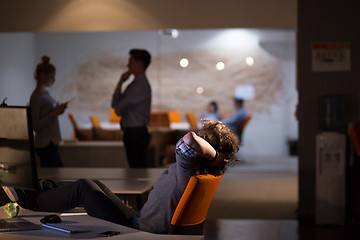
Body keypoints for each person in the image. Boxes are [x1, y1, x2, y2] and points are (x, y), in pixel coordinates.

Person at [0, 120, 239, 234]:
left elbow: (187, 141)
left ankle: (28, 200)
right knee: (95, 184)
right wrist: (216, 154)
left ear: (210, 151)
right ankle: (36, 188)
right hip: (140, 219)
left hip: (140, 229)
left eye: (202, 134)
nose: (197, 133)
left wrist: (215, 153)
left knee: (84, 186)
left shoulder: (191, 165)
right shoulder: (203, 169)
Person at [111, 49, 152, 168]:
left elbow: (118, 110)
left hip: (136, 134)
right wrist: (120, 82)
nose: (128, 64)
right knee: (136, 170)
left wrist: (120, 83)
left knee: (137, 171)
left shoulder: (140, 86)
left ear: (139, 63)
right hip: (134, 133)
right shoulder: (135, 85)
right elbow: (115, 105)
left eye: (130, 60)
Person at [29, 55, 67, 167]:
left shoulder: (45, 94)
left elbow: (50, 115)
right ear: (42, 75)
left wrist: (58, 111)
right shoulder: (36, 97)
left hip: (51, 142)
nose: (53, 80)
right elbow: (35, 125)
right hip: (45, 144)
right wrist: (54, 113)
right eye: (51, 76)